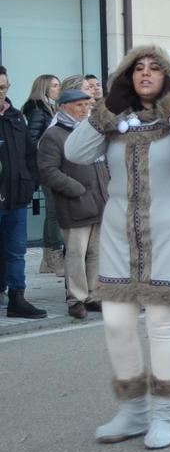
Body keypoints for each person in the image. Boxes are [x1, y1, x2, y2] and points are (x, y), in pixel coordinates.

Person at [65, 45, 170, 449]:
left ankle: (165, 414)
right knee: (116, 322)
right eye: (138, 68)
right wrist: (104, 109)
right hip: (121, 234)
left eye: (155, 68)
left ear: (168, 75)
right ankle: (132, 411)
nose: (146, 74)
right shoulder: (117, 119)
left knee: (161, 323)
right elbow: (75, 153)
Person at [37, 89, 108, 319]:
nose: (85, 110)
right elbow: (48, 171)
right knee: (76, 253)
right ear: (64, 107)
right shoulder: (53, 135)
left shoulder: (90, 132)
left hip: (98, 201)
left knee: (96, 252)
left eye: (87, 105)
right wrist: (76, 189)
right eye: (79, 105)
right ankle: (76, 299)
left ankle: (94, 295)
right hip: (74, 203)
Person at [0, 68, 48, 318]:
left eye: (3, 87)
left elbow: (31, 155)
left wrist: (30, 184)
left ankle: (17, 298)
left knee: (16, 252)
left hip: (16, 198)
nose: (1, 92)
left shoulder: (16, 118)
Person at [24, 74, 65, 276]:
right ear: (44, 88)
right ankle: (54, 258)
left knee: (52, 211)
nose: (59, 89)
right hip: (46, 166)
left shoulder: (48, 108)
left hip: (48, 165)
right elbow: (32, 140)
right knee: (54, 212)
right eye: (55, 86)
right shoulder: (39, 110)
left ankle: (47, 260)